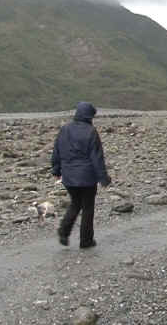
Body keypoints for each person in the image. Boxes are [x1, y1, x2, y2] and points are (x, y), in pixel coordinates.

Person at [51, 102, 111, 248]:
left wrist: (56, 171)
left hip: (69, 176)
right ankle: (86, 241)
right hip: (87, 177)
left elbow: (57, 152)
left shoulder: (65, 129)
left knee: (75, 203)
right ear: (90, 115)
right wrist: (103, 178)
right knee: (88, 208)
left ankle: (63, 232)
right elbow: (97, 158)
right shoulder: (91, 131)